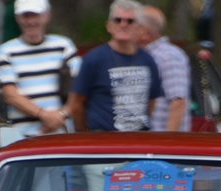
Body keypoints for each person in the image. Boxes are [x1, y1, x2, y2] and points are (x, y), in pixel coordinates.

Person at [69, 0, 163, 132]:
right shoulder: (93, 59)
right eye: (118, 20)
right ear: (109, 26)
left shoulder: (148, 61)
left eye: (130, 21)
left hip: (139, 138)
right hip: (103, 138)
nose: (123, 25)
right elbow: (76, 103)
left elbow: (152, 102)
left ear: (139, 28)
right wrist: (85, 134)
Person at [0, 0, 81, 136]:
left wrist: (63, 114)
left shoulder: (64, 45)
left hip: (62, 132)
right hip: (22, 135)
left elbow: (81, 86)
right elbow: (10, 94)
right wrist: (44, 115)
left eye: (35, 15)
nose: (30, 21)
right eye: (25, 16)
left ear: (47, 16)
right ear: (17, 18)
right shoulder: (5, 51)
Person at [138, 5, 191, 132]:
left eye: (132, 24)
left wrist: (167, 141)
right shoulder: (143, 56)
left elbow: (178, 102)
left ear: (144, 31)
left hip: (161, 141)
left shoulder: (169, 56)